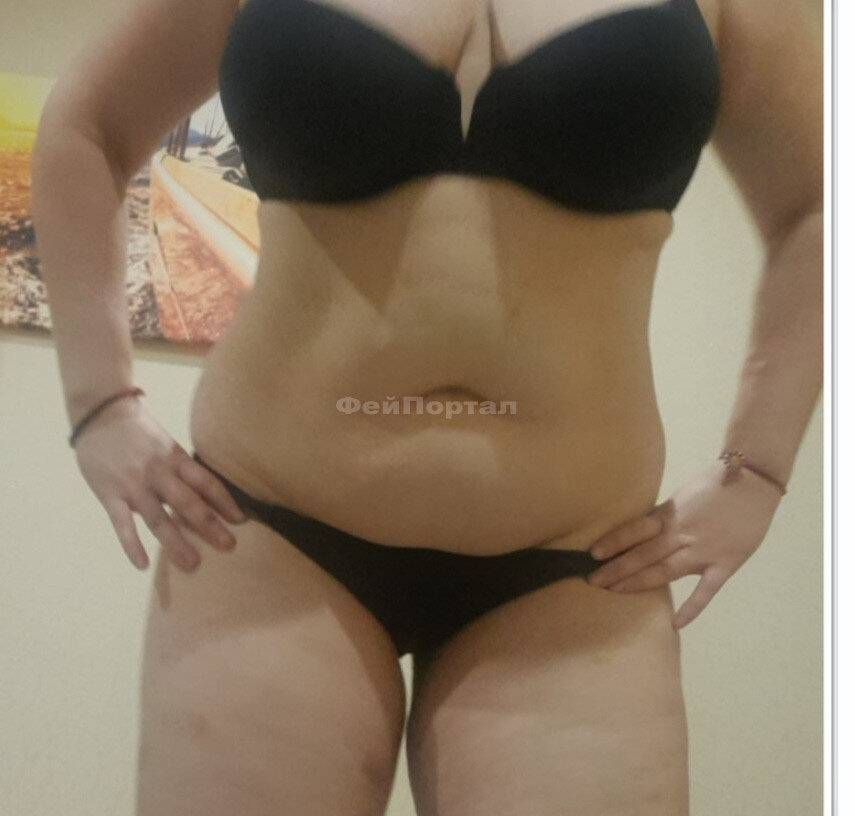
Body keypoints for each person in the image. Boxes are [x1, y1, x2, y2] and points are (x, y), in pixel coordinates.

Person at [30, 0, 822, 813]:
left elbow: (819, 205)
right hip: (272, 532)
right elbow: (89, 125)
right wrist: (101, 405)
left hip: (577, 562)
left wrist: (757, 471)